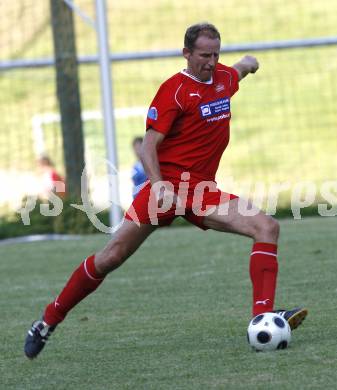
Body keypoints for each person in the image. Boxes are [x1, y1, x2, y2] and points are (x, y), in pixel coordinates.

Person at [24, 22, 308, 359]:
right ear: (186, 53)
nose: (211, 62)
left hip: (201, 192)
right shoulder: (173, 91)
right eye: (204, 55)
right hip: (167, 188)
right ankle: (48, 319)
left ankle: (263, 317)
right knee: (111, 256)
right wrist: (159, 187)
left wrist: (249, 62)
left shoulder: (223, 79)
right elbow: (148, 146)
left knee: (266, 227)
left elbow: (240, 69)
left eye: (216, 54)